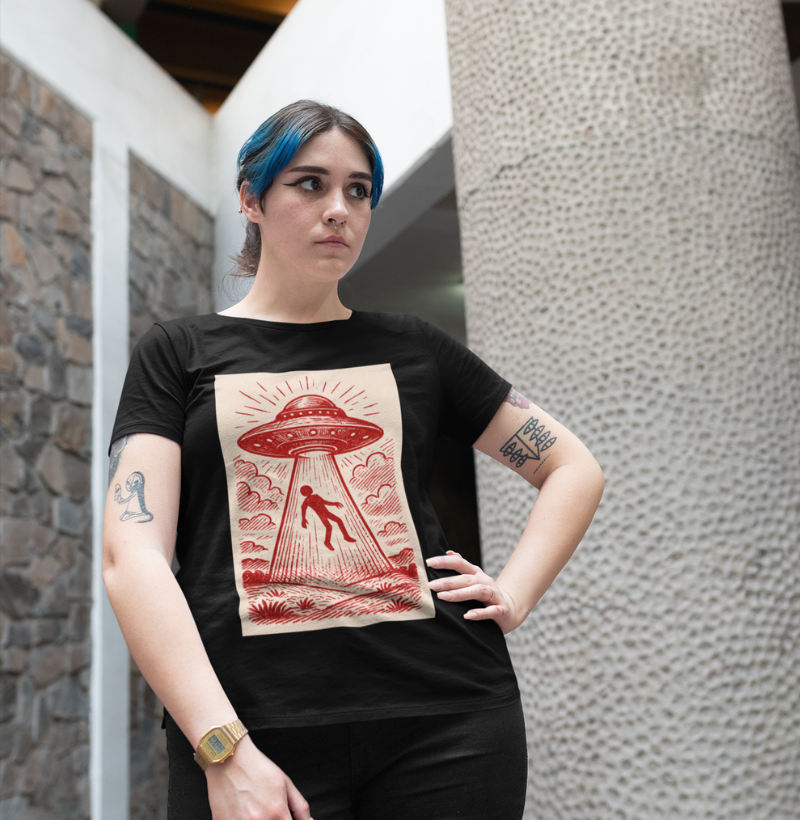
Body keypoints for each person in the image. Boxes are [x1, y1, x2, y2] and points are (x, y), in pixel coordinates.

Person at [103, 100, 604, 820]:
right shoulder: (178, 353)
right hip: (251, 730)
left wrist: (515, 594)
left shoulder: (415, 347)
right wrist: (223, 749)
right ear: (251, 199)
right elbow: (131, 558)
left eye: (359, 190)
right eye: (310, 184)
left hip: (448, 722)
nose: (339, 209)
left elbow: (571, 467)